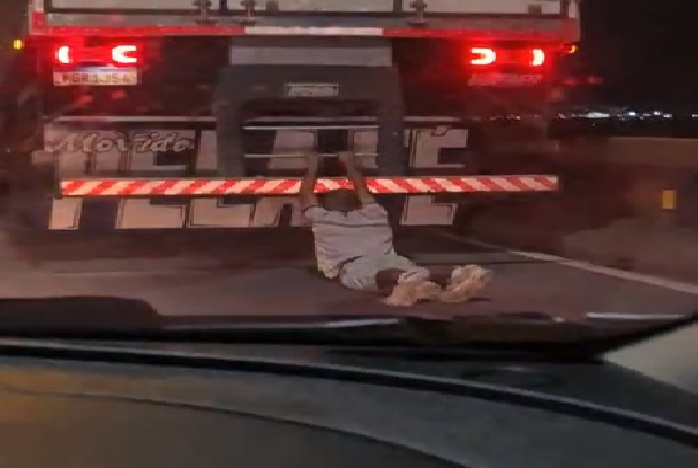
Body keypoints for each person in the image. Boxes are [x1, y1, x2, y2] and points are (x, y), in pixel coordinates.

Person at [299, 151, 492, 307]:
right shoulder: (375, 213)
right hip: (389, 258)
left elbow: (306, 193)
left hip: (354, 265)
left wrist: (312, 165)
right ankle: (456, 274)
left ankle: (411, 284)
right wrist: (349, 163)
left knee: (382, 276)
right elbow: (362, 188)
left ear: (327, 204)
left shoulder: (322, 219)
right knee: (414, 270)